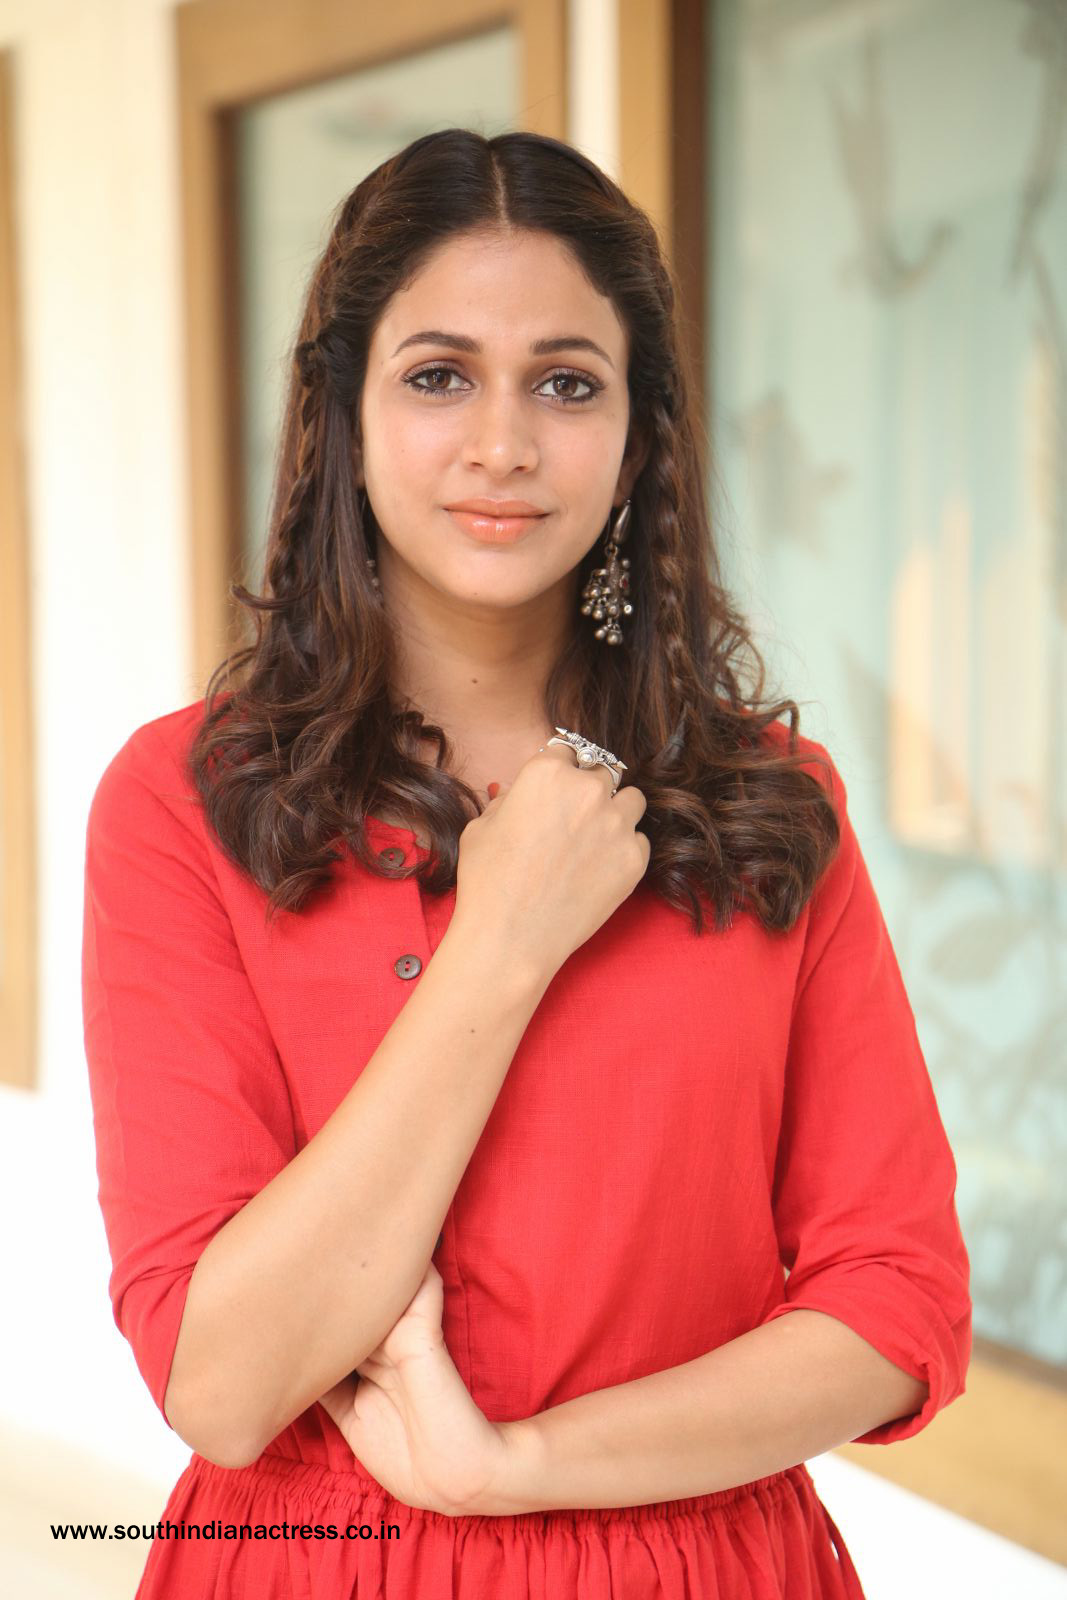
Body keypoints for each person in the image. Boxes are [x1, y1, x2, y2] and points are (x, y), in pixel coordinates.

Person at [82, 127, 971, 1599]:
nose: (503, 444)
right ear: (343, 417)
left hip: (701, 1565)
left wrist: (516, 1469)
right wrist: (502, 941)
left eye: (567, 383)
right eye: (439, 376)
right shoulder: (187, 806)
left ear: (639, 435)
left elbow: (899, 1304)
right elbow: (223, 1384)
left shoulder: (767, 799)